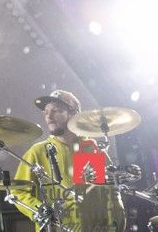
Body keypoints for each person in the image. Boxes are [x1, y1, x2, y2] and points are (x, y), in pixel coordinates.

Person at [12, 89, 126, 231]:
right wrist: (39, 209)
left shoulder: (90, 150)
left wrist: (114, 227)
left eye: (56, 111)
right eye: (46, 112)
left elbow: (110, 196)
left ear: (74, 114)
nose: (49, 116)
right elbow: (18, 192)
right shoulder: (37, 152)